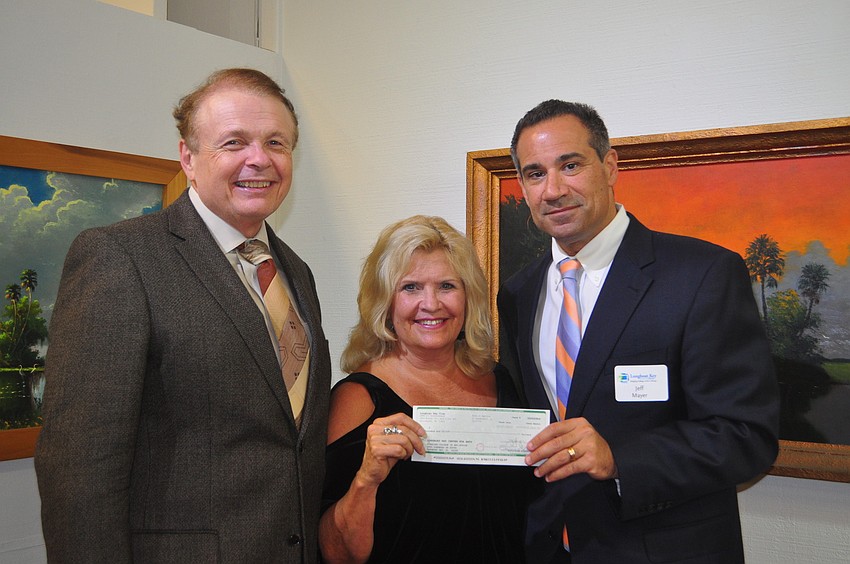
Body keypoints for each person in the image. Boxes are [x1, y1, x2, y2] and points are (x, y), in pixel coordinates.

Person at [35, 68, 331, 563]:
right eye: (234, 142)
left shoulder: (295, 272)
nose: (259, 159)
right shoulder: (120, 257)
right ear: (188, 158)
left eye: (276, 142)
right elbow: (79, 470)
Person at [498, 100, 780, 564]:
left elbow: (747, 436)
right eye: (534, 173)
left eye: (570, 165)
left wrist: (619, 458)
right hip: (549, 549)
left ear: (609, 166)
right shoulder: (519, 292)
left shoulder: (701, 275)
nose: (553, 189)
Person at [319, 215, 536, 564]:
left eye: (447, 286)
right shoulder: (357, 398)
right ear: (385, 303)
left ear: (469, 297)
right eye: (411, 287)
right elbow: (335, 553)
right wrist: (366, 479)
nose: (431, 304)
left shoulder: (502, 382)